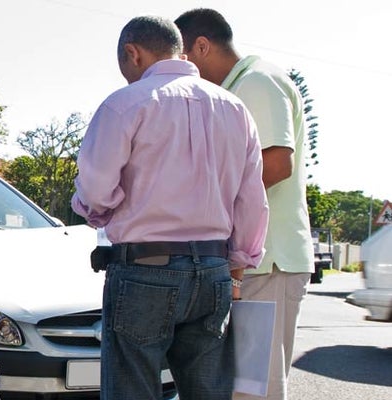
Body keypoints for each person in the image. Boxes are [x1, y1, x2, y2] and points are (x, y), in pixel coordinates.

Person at [72, 16, 268, 399]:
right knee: (207, 392)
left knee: (132, 389)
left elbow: (96, 192)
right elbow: (252, 201)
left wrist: (98, 210)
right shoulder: (235, 109)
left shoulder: (124, 104)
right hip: (214, 272)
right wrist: (238, 271)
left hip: (145, 268)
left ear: (133, 53)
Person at [175, 9, 315, 400]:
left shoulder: (256, 83)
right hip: (251, 264)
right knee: (242, 387)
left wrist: (208, 208)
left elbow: (276, 164)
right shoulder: (234, 90)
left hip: (268, 264)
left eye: (182, 60)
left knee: (256, 389)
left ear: (201, 47)